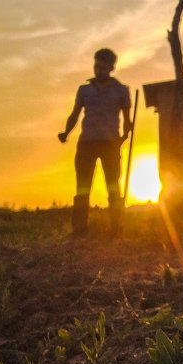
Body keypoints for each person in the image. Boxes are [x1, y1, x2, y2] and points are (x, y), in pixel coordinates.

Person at [58, 48, 132, 236]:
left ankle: (116, 228)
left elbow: (127, 120)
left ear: (111, 67)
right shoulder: (85, 90)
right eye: (96, 66)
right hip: (86, 144)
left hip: (109, 144)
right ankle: (80, 229)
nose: (98, 70)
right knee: (82, 187)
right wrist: (66, 132)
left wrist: (123, 138)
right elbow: (74, 114)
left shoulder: (121, 91)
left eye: (102, 67)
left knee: (113, 187)